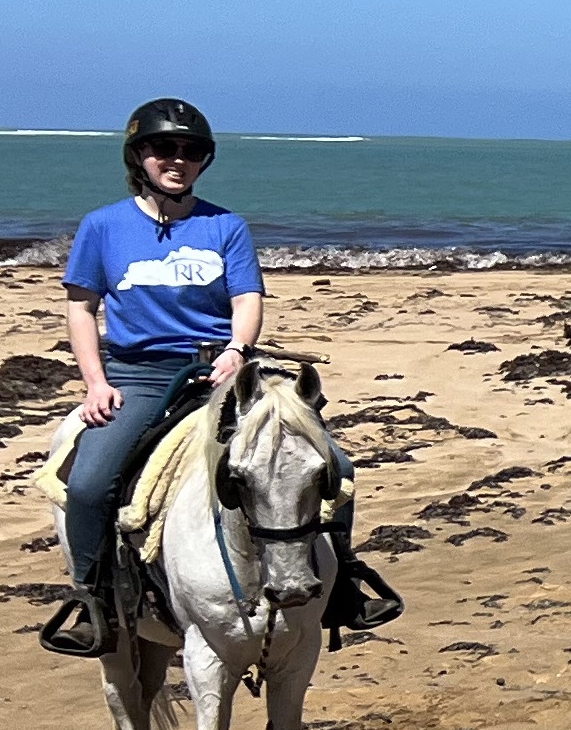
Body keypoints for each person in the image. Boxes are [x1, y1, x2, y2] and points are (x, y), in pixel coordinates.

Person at [43, 99, 403, 657]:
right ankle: (92, 604)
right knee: (90, 483)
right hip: (139, 376)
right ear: (140, 155)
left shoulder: (225, 225)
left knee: (335, 463)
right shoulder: (103, 227)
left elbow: (247, 298)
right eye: (164, 149)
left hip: (225, 370)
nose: (177, 160)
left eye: (190, 152)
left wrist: (238, 350)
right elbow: (81, 310)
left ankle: (343, 587)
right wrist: (95, 382)